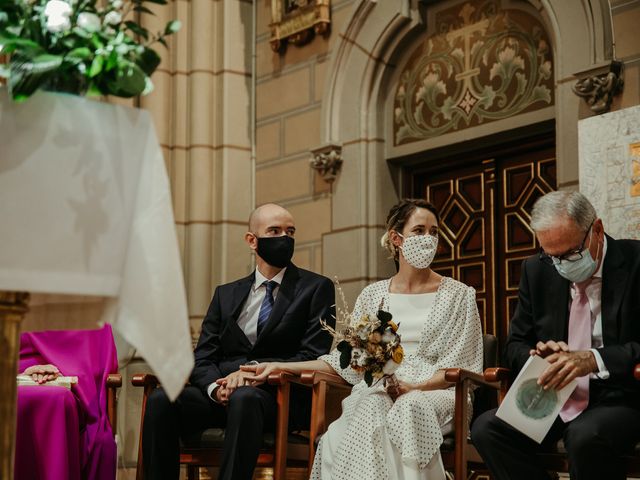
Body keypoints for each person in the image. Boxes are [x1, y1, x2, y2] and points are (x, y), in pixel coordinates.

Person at [244, 198, 483, 480]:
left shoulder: (459, 295)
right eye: (419, 231)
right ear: (397, 238)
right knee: (371, 402)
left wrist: (414, 386)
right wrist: (280, 366)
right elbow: (347, 362)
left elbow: (463, 364)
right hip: (381, 390)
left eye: (434, 232)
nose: (428, 239)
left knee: (406, 407)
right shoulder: (373, 295)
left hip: (438, 395)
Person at [141, 203, 336, 480]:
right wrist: (213, 389)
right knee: (163, 399)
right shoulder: (226, 294)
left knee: (245, 397)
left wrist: (250, 372)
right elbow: (203, 356)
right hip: (220, 395)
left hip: (275, 396)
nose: (284, 239)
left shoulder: (316, 288)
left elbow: (314, 352)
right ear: (252, 240)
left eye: (290, 232)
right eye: (274, 231)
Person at [471, 191, 640, 480]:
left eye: (571, 254)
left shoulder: (636, 261)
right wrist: (538, 355)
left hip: (620, 395)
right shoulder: (537, 270)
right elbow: (514, 345)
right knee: (487, 429)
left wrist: (594, 359)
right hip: (555, 396)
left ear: (596, 230)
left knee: (585, 437)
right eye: (552, 257)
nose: (562, 264)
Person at [16, 325, 119, 480]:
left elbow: (90, 356)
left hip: (66, 379)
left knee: (57, 399)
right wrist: (15, 373)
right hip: (14, 374)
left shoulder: (82, 304)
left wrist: (60, 372)